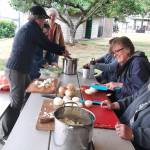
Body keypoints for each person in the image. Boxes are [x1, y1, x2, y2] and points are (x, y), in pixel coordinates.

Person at [0, 5, 70, 142]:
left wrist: (59, 51)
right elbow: (46, 44)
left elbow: (44, 45)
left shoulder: (31, 28)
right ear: (37, 19)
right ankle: (4, 135)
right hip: (16, 70)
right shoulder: (32, 28)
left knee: (28, 94)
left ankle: (22, 122)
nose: (44, 22)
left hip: (22, 69)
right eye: (43, 19)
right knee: (16, 103)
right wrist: (62, 50)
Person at [101, 79, 150, 150]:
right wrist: (114, 105)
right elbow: (134, 97)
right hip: (120, 127)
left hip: (135, 144)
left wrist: (134, 134)